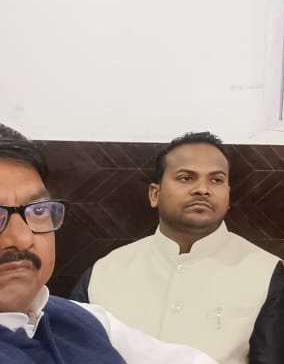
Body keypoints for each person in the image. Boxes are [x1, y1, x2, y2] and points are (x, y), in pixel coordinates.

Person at [68, 132, 284, 364]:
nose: (202, 189)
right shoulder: (105, 271)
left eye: (216, 180)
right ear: (155, 194)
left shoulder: (265, 272)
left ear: (228, 195)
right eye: (186, 178)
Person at [0, 124, 217, 364]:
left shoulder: (86, 320)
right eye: (186, 178)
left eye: (38, 210)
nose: (22, 238)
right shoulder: (106, 272)